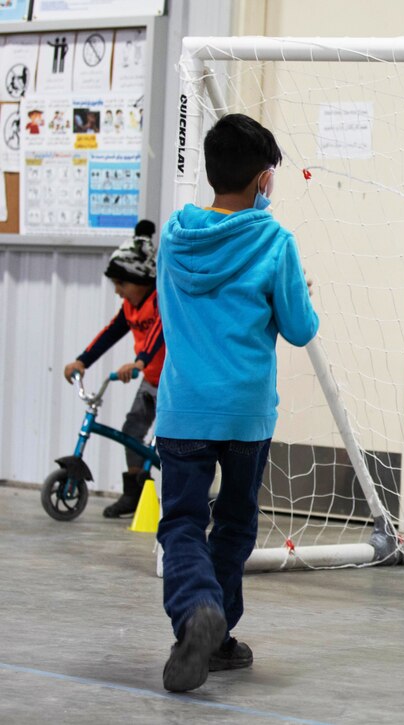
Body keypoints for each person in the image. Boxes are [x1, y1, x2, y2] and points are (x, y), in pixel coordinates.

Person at [155, 113, 319, 693]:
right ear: (263, 180)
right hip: (246, 413)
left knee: (180, 523)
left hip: (182, 409)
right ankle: (219, 637)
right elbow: (299, 329)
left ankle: (197, 613)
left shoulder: (173, 237)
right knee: (234, 523)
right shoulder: (274, 241)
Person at [63, 219, 162, 518]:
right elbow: (110, 333)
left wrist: (140, 360)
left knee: (173, 440)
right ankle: (135, 492)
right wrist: (83, 360)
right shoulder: (130, 307)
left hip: (175, 380)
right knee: (132, 429)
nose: (118, 291)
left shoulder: (160, 299)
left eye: (121, 283)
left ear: (141, 278)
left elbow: (161, 331)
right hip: (150, 379)